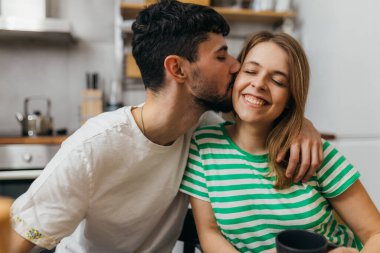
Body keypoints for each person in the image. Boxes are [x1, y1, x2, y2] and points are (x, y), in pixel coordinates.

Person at [9, 2, 323, 253]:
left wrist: (301, 125)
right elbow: (18, 239)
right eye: (222, 55)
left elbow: (262, 116)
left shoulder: (204, 127)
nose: (237, 66)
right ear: (177, 69)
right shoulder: (92, 148)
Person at [180, 31, 380, 253]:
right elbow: (210, 233)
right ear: (236, 77)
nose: (259, 84)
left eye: (277, 81)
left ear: (290, 98)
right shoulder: (204, 144)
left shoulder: (314, 152)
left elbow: (376, 233)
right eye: (251, 71)